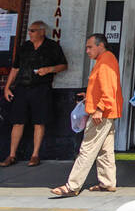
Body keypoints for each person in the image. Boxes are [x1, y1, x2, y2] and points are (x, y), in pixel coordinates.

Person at [50, 34, 123, 198]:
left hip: (101, 113)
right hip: (106, 112)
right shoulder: (105, 60)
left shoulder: (105, 61)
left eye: (90, 47)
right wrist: (89, 96)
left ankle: (72, 185)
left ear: (101, 45)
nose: (87, 50)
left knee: (87, 148)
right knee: (105, 149)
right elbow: (103, 87)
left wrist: (99, 108)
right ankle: (108, 182)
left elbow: (109, 90)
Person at [1, 20, 67, 167]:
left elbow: (63, 65)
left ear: (42, 31)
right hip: (22, 87)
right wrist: (7, 87)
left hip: (41, 88)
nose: (30, 33)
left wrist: (49, 69)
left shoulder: (52, 46)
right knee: (17, 121)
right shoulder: (25, 47)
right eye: (29, 30)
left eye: (33, 30)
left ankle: (35, 154)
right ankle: (11, 155)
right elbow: (15, 68)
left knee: (40, 121)